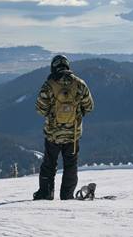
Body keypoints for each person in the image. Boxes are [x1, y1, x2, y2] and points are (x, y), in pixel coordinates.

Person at [33, 55, 94, 200]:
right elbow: (89, 106)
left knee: (49, 164)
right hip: (73, 134)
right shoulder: (79, 84)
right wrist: (77, 115)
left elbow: (40, 109)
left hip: (53, 134)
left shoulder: (49, 85)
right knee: (70, 165)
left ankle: (46, 193)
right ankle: (67, 196)